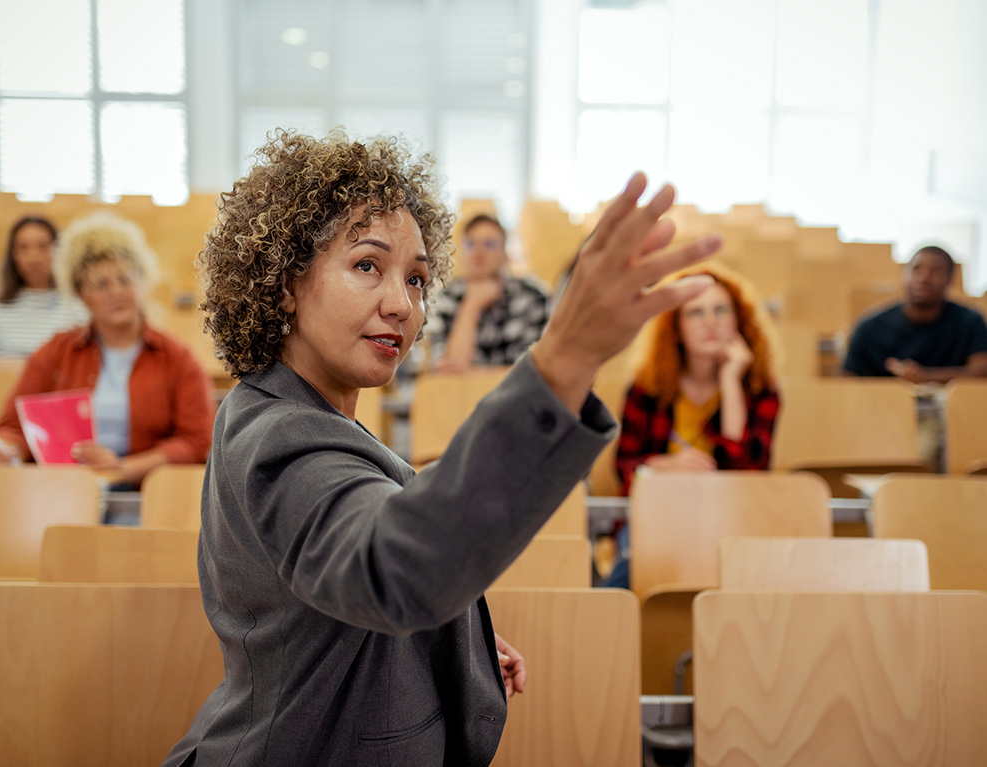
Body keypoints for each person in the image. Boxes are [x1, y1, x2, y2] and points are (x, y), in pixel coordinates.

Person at [161, 129, 720, 767]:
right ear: (285, 284)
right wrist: (563, 359)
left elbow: (344, 591)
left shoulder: (299, 413)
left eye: (418, 280)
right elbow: (390, 569)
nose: (402, 305)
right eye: (367, 265)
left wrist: (454, 637)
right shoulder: (281, 435)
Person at [0, 212, 213, 489]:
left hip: (145, 492)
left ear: (141, 282)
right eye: (100, 285)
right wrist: (7, 449)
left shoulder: (177, 358)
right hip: (67, 489)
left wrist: (124, 468)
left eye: (125, 280)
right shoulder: (54, 353)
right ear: (81, 294)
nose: (116, 292)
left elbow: (197, 440)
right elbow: (13, 426)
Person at [616, 263, 779, 494]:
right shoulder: (647, 388)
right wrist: (666, 466)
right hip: (661, 507)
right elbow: (624, 469)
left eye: (722, 310)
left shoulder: (761, 389)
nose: (711, 323)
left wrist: (731, 382)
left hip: (730, 511)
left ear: (738, 319)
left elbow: (747, 475)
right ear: (676, 327)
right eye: (696, 312)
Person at [842, 245, 987, 382]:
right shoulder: (869, 327)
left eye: (935, 271)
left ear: (950, 279)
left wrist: (926, 376)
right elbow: (848, 380)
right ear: (904, 274)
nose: (924, 278)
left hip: (955, 407)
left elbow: (981, 371)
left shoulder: (971, 322)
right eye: (916, 269)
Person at [425, 213, 550, 371]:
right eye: (470, 244)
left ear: (505, 255)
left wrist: (471, 374)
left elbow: (530, 373)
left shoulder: (532, 297)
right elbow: (448, 373)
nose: (478, 253)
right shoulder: (445, 299)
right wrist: (472, 305)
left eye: (489, 244)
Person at [0, 215, 88, 355]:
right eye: (23, 248)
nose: (33, 257)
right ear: (13, 255)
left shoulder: (79, 306)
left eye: (43, 246)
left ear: (59, 250)